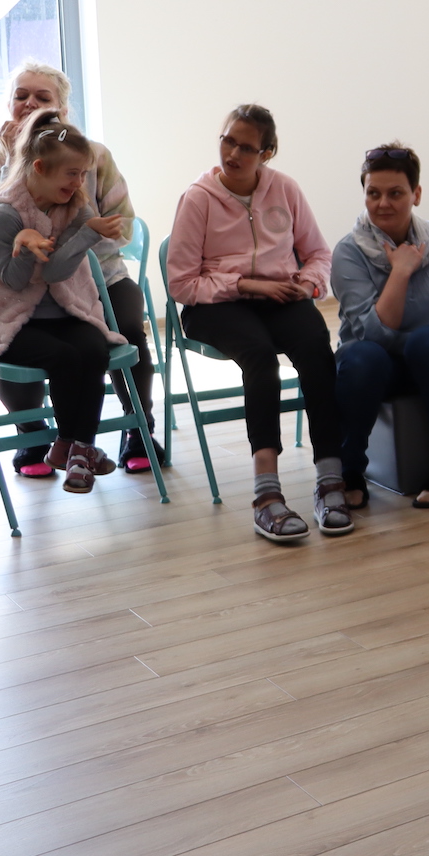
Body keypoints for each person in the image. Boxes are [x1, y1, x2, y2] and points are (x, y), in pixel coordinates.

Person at [166, 105, 344, 542]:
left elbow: (318, 253)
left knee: (317, 350)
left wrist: (308, 283)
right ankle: (266, 496)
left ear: (267, 153)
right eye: (228, 141)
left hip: (279, 296)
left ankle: (330, 479)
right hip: (213, 304)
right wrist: (245, 284)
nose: (233, 154)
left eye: (246, 148)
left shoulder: (285, 188)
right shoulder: (198, 198)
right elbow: (182, 283)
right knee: (260, 358)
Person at [0, 61, 156, 476]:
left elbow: (123, 224)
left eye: (42, 97)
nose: (29, 103)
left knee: (124, 326)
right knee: (25, 336)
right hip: (20, 283)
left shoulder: (93, 155)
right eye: (21, 95)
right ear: (8, 104)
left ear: (62, 110)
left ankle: (138, 428)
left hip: (97, 274)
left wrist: (75, 242)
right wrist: (14, 163)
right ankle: (33, 435)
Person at [330, 143, 429, 509]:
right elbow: (375, 334)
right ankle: (349, 472)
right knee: (363, 356)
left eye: (396, 193)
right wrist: (400, 271)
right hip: (380, 366)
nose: (383, 204)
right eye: (373, 193)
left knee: (427, 342)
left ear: (417, 194)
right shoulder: (348, 252)